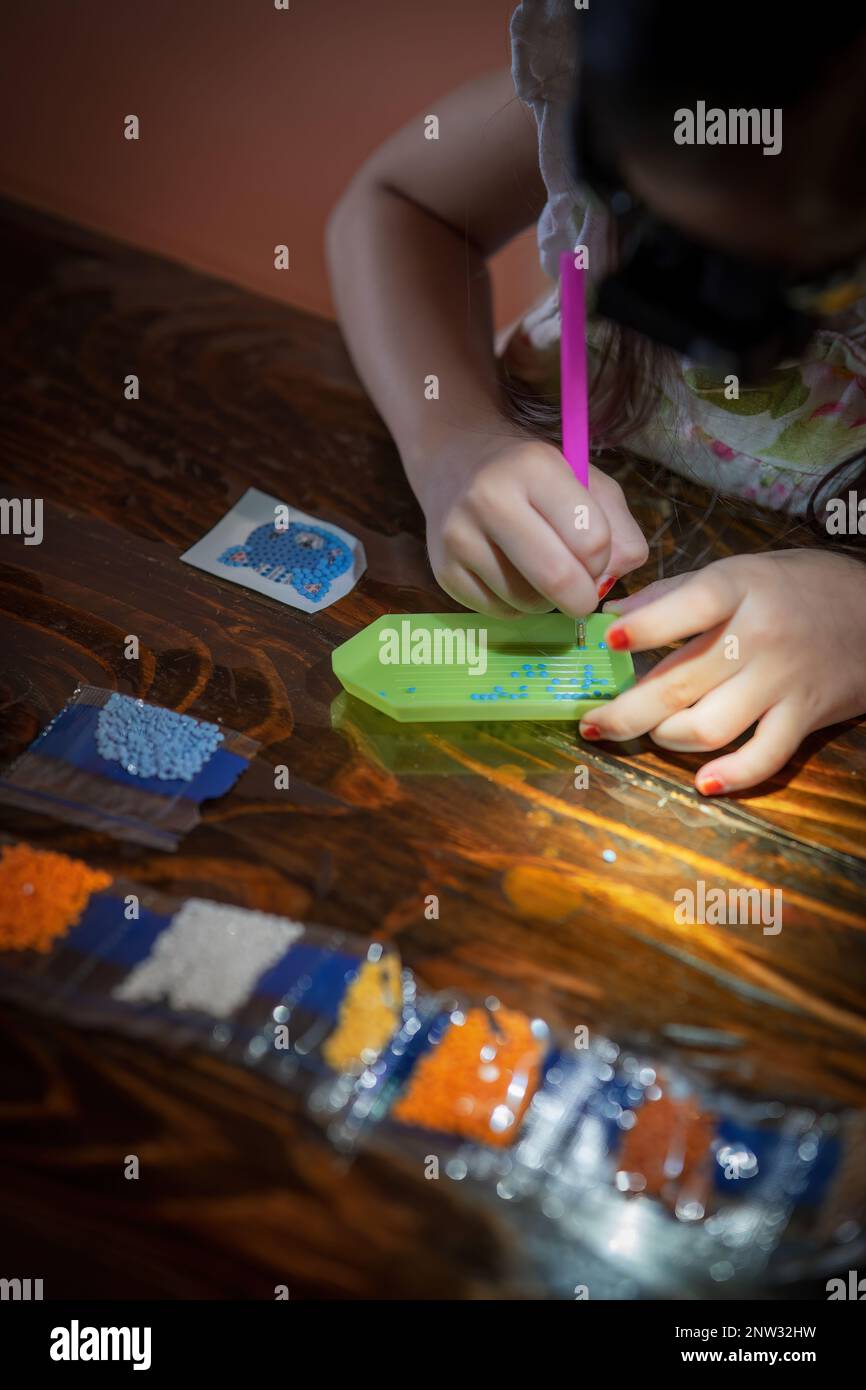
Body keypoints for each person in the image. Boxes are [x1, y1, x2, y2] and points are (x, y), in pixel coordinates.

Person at [326, 0, 866, 796]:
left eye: (792, 280)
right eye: (651, 229)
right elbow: (400, 208)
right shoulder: (606, 71)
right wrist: (455, 441)